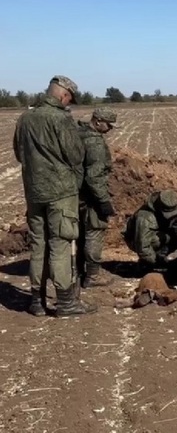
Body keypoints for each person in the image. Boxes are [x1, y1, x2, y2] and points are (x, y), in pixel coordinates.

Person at [13, 75, 95, 317]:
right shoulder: (61, 119)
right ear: (63, 94)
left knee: (38, 246)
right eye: (69, 98)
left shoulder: (25, 118)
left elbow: (19, 153)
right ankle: (67, 303)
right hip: (60, 194)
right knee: (60, 245)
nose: (69, 103)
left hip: (34, 193)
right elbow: (76, 155)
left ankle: (37, 302)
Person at [77, 107, 118, 287]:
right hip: (90, 196)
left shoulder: (78, 133)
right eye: (109, 125)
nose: (110, 129)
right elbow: (94, 177)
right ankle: (92, 276)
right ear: (98, 121)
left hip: (75, 194)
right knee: (95, 231)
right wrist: (103, 201)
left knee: (79, 234)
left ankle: (77, 271)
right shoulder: (94, 143)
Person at [123, 190, 177, 271]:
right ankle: (148, 263)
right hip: (137, 239)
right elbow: (143, 246)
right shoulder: (145, 217)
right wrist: (159, 264)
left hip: (162, 233)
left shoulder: (176, 206)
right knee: (159, 239)